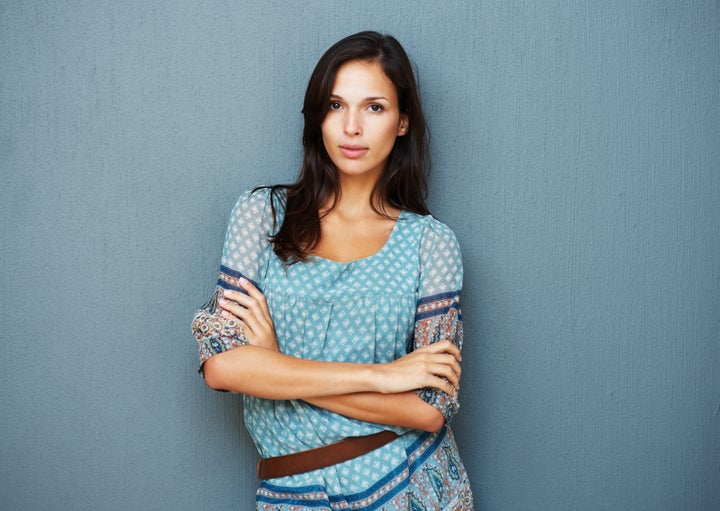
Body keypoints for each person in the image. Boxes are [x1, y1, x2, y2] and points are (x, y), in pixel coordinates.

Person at [192, 30, 474, 510]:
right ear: (318, 116)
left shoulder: (431, 244)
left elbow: (429, 413)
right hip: (291, 492)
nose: (352, 128)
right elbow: (223, 366)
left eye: (374, 107)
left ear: (403, 121)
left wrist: (277, 365)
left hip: (408, 484)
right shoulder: (262, 215)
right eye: (336, 105)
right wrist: (380, 377)